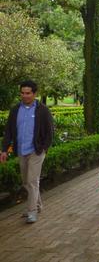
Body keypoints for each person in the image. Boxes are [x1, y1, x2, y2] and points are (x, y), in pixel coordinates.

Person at [0, 80, 54, 224]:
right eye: (22, 93)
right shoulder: (15, 109)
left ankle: (32, 212)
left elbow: (50, 132)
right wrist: (4, 149)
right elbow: (9, 132)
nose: (25, 96)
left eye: (28, 93)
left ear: (34, 94)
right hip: (21, 151)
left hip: (36, 151)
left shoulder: (42, 110)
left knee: (32, 181)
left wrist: (43, 148)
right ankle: (38, 205)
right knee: (26, 182)